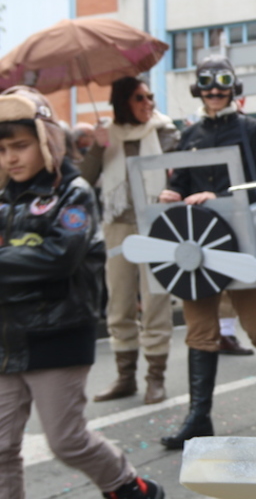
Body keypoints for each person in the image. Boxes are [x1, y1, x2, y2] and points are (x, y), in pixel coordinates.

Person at [0, 86, 164, 499]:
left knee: (66, 440)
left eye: (20, 146)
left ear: (47, 141)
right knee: (1, 447)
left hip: (58, 335)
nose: (10, 158)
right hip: (6, 338)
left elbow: (59, 257)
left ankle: (128, 486)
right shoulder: (1, 199)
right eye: (2, 150)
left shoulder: (73, 193)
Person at [157, 55, 256, 449]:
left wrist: (220, 197)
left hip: (240, 244)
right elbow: (181, 182)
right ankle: (199, 417)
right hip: (197, 247)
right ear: (198, 88)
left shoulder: (254, 130)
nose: (214, 90)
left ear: (233, 86)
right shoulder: (190, 135)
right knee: (199, 331)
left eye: (222, 82)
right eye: (207, 83)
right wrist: (171, 193)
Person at [79, 77, 179, 405]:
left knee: (156, 300)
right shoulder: (107, 134)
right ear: (123, 102)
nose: (148, 103)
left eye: (150, 96)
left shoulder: (165, 131)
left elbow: (179, 174)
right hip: (117, 224)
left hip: (156, 223)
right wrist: (97, 145)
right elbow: (84, 180)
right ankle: (125, 377)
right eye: (139, 98)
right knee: (119, 301)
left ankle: (155, 378)